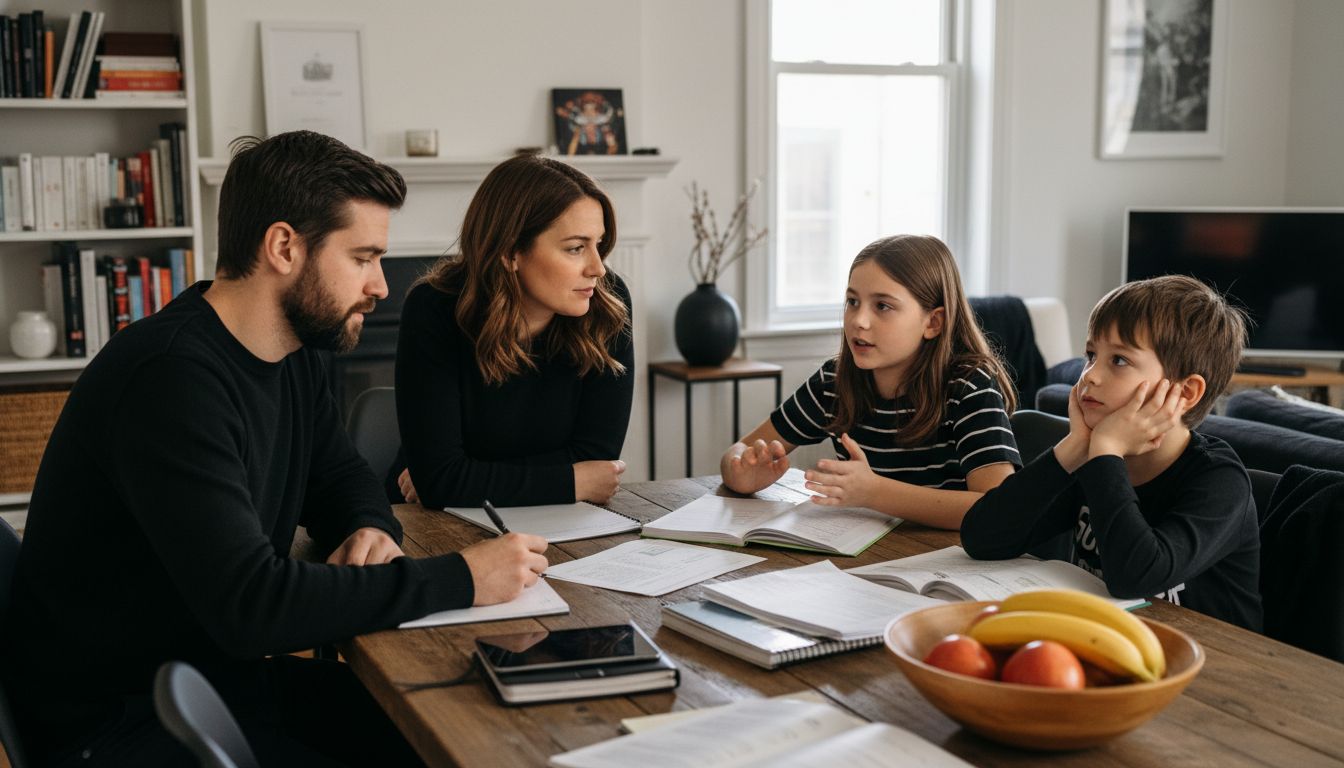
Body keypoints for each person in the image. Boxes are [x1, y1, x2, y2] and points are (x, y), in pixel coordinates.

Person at [1, 131, 549, 767]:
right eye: (364, 257)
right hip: (118, 722)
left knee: (460, 724)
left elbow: (340, 473)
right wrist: (463, 577)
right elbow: (251, 606)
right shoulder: (169, 378)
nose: (380, 286)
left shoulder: (291, 351)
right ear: (285, 246)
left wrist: (366, 523)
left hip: (209, 678)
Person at [960, 275, 1262, 631]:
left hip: (1219, 664)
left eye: (1118, 360)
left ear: (1187, 392)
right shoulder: (1090, 456)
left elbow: (1136, 577)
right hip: (1112, 639)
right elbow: (982, 538)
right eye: (1091, 355)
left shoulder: (1220, 482)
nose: (1090, 375)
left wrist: (1106, 452)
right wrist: (1073, 448)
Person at [720, 234, 1020, 530]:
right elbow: (738, 452)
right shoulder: (833, 382)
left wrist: (874, 492)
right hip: (868, 558)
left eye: (882, 306)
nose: (859, 320)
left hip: (949, 564)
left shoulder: (968, 386)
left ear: (933, 322)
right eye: (852, 301)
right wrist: (741, 474)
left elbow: (998, 508)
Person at [391, 153, 633, 509]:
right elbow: (440, 482)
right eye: (576, 248)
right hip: (426, 521)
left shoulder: (607, 303)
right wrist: (571, 479)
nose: (597, 267)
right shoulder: (434, 307)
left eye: (599, 244)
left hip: (559, 519)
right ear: (510, 252)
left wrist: (464, 477)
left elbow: (597, 459)